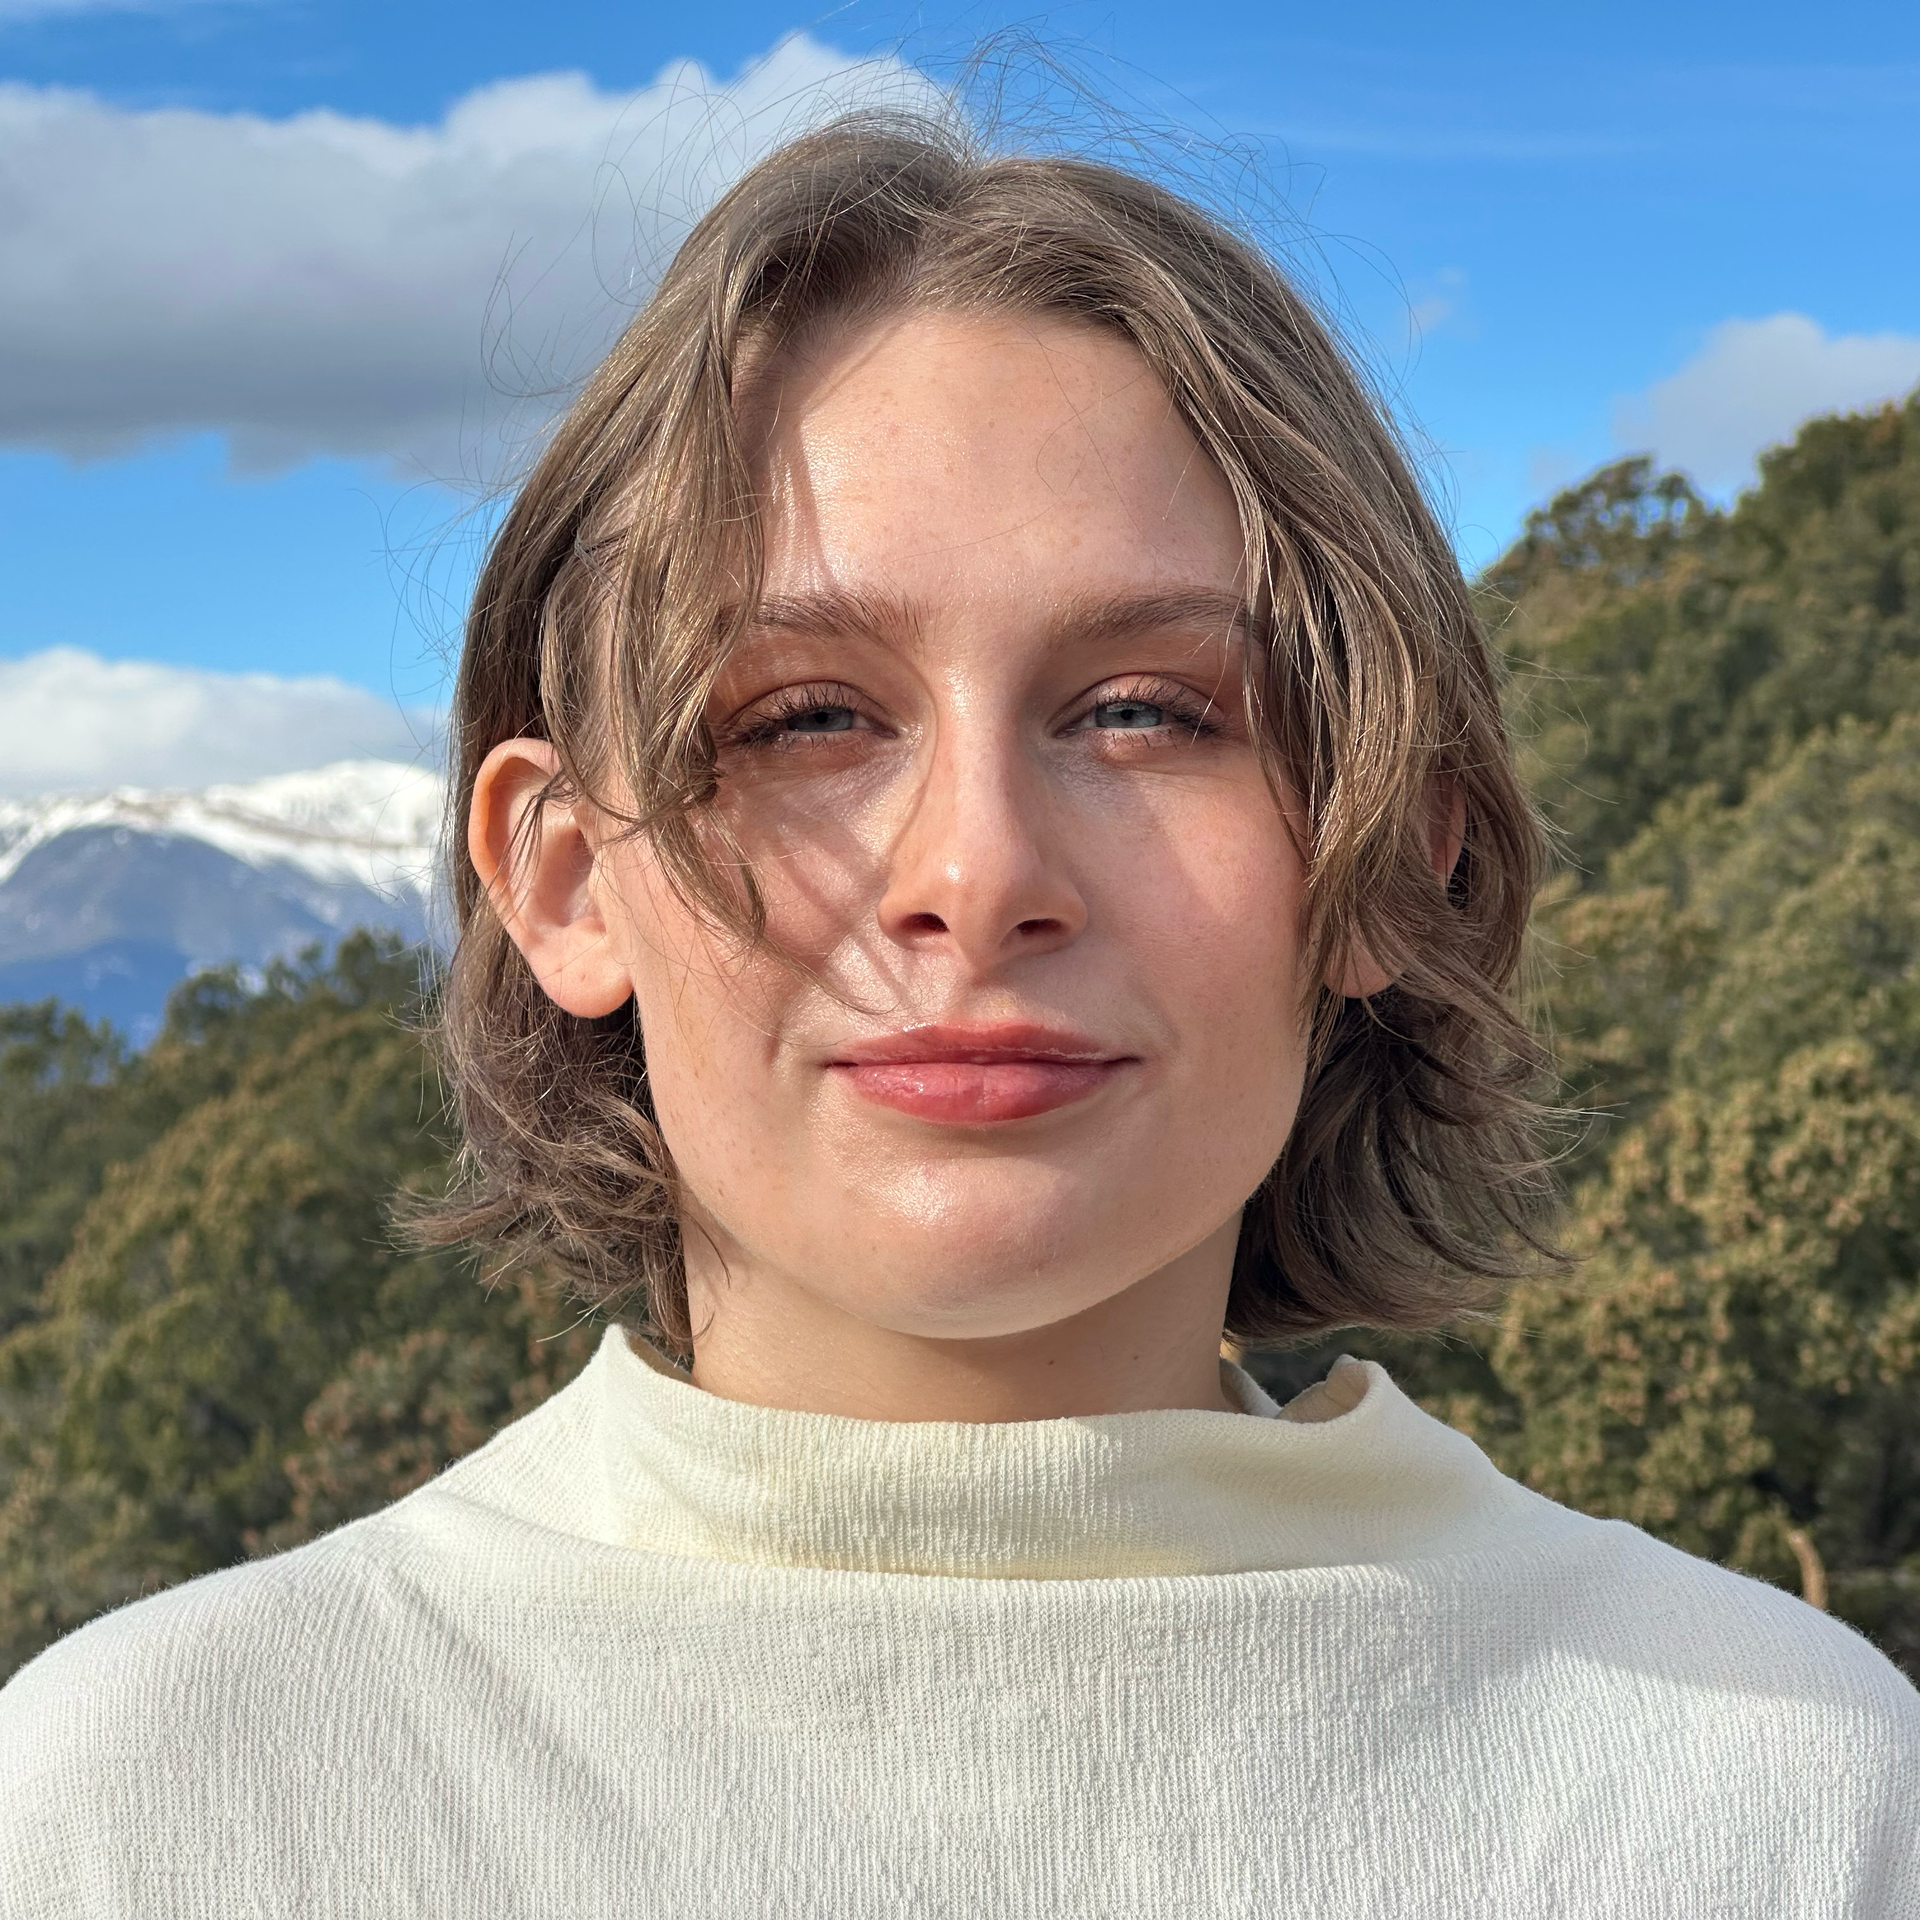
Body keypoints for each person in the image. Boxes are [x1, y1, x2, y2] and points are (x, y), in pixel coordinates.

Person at [2, 112, 1915, 1918]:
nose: (977, 868)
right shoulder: (142, 1811)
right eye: (804, 720)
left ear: (1383, 862)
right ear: (567, 883)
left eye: (1150, 710)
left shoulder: (1791, 1800)